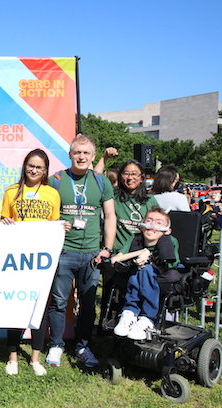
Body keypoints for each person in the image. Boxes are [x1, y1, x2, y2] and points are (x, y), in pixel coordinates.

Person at [46, 134, 116, 368]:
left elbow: (110, 216)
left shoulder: (101, 181)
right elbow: (44, 215)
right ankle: (56, 345)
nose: (82, 157)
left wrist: (107, 248)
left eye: (86, 153)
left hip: (91, 254)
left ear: (93, 156)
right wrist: (55, 225)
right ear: (70, 154)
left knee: (88, 304)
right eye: (77, 152)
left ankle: (83, 347)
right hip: (63, 252)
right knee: (58, 302)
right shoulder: (55, 180)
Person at [0, 149, 66, 376]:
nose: (34, 170)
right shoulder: (11, 191)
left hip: (41, 261)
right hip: (17, 259)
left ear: (45, 170)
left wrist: (61, 227)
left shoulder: (52, 194)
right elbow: (3, 220)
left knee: (41, 308)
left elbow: (54, 226)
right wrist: (4, 221)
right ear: (24, 166)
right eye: (31, 165)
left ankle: (35, 358)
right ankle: (13, 357)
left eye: (39, 167)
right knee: (14, 307)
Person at [112, 206, 180, 339]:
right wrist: (141, 252)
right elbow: (118, 257)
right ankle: (130, 312)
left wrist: (150, 258)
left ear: (167, 230)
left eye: (159, 223)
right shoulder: (135, 239)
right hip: (135, 273)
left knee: (146, 269)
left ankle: (147, 318)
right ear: (142, 226)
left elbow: (172, 263)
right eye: (149, 221)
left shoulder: (169, 241)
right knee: (137, 270)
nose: (153, 225)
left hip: (161, 273)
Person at [113, 160, 160, 252]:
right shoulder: (113, 197)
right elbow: (94, 178)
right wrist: (104, 158)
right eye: (126, 173)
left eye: (134, 174)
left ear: (142, 178)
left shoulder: (150, 200)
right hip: (117, 253)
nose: (130, 177)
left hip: (141, 254)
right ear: (121, 177)